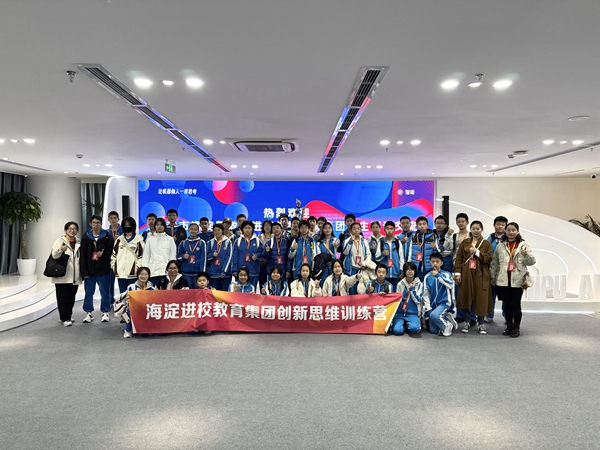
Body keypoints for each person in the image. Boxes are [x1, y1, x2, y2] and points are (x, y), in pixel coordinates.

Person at [490, 222, 536, 338]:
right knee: (507, 304)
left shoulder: (523, 245)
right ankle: (509, 325)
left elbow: (532, 262)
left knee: (515, 304)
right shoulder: (501, 246)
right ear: (505, 231)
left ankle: (516, 327)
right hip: (504, 279)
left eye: (513, 230)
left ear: (518, 231)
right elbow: (495, 263)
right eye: (509, 230)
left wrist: (526, 255)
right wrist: (493, 276)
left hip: (518, 280)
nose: (511, 232)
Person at [454, 220, 493, 334]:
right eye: (473, 228)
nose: (476, 231)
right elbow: (459, 259)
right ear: (470, 229)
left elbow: (489, 259)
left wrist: (477, 252)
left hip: (481, 273)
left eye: (478, 229)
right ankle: (467, 322)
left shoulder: (486, 243)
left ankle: (481, 323)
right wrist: (457, 273)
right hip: (466, 273)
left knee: (481, 298)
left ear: (482, 230)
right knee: (466, 297)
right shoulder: (465, 242)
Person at [80, 215, 114, 323]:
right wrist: (84, 271)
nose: (96, 225)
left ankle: (105, 312)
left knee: (105, 292)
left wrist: (103, 255)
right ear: (90, 224)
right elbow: (82, 256)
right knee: (88, 292)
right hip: (90, 271)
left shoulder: (107, 236)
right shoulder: (86, 237)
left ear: (101, 224)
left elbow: (112, 252)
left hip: (103, 270)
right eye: (94, 222)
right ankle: (88, 313)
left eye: (98, 222)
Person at [51, 221, 82, 326]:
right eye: (70, 229)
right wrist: (61, 249)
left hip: (74, 275)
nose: (72, 231)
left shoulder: (78, 242)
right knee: (62, 298)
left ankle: (67, 316)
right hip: (63, 275)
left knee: (71, 297)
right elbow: (54, 255)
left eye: (74, 229)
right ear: (66, 230)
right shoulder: (59, 241)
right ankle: (64, 318)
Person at [446, 213, 474, 324]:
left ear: (467, 222)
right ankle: (460, 315)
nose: (461, 223)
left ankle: (472, 317)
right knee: (458, 292)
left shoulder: (472, 235)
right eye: (458, 221)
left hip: (470, 266)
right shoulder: (454, 236)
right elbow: (449, 249)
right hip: (456, 265)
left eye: (463, 221)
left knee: (471, 291)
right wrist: (448, 235)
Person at [423, 253, 456, 337]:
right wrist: (428, 308)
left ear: (441, 263)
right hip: (433, 305)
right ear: (430, 263)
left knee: (434, 316)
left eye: (437, 261)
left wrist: (438, 275)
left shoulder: (446, 274)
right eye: (433, 261)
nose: (435, 264)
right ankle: (445, 318)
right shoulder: (427, 277)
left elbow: (450, 285)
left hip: (444, 303)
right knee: (433, 331)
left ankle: (448, 326)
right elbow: (426, 294)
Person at [111, 216, 144, 294]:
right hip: (121, 275)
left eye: (129, 225)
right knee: (123, 296)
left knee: (134, 296)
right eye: (125, 225)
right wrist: (114, 266)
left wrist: (137, 268)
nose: (127, 227)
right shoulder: (119, 240)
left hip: (133, 275)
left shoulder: (139, 240)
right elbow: (114, 255)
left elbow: (142, 256)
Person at [485, 215, 508, 323]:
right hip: (491, 270)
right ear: (494, 225)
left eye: (502, 225)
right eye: (498, 224)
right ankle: (489, 315)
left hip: (505, 271)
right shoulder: (489, 238)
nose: (500, 227)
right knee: (491, 295)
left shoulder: (508, 238)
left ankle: (506, 316)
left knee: (505, 296)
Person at [142, 217, 177, 286]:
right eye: (157, 225)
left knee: (166, 291)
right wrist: (145, 271)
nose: (159, 227)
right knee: (153, 291)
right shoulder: (150, 240)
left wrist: (172, 270)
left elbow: (172, 256)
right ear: (155, 226)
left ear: (164, 226)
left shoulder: (170, 239)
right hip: (153, 271)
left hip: (166, 272)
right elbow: (146, 256)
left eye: (161, 225)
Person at [122, 266, 155, 338]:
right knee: (129, 310)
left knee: (144, 335)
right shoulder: (131, 287)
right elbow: (126, 300)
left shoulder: (152, 288)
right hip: (133, 308)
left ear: (149, 276)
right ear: (137, 275)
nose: (143, 276)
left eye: (146, 274)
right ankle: (127, 330)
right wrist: (128, 299)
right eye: (141, 274)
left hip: (147, 309)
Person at [392, 262, 423, 336]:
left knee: (415, 329)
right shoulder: (400, 284)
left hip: (413, 313)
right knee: (397, 331)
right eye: (407, 269)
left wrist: (412, 290)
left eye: (412, 269)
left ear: (415, 271)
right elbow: (397, 300)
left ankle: (410, 323)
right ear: (404, 271)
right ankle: (402, 323)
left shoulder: (419, 284)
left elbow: (418, 300)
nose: (409, 271)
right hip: (400, 313)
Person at [342, 221, 372, 294]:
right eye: (354, 229)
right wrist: (350, 242)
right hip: (351, 269)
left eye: (358, 229)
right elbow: (345, 252)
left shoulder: (364, 241)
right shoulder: (347, 240)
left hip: (362, 269)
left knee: (362, 290)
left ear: (360, 230)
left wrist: (365, 264)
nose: (356, 230)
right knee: (352, 290)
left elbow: (368, 254)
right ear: (351, 230)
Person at [232, 220, 263, 287]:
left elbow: (262, 253)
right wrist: (234, 270)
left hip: (253, 271)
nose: (247, 230)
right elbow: (235, 256)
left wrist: (257, 255)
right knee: (240, 291)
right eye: (245, 228)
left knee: (252, 291)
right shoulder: (238, 241)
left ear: (252, 229)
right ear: (242, 229)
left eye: (249, 228)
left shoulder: (257, 241)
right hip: (241, 272)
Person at [408, 216, 440, 282]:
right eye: (420, 224)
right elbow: (410, 252)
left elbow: (438, 253)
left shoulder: (433, 236)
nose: (422, 226)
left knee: (429, 286)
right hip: (416, 267)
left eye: (424, 224)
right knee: (418, 286)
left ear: (427, 225)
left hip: (429, 267)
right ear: (417, 226)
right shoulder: (413, 237)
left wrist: (435, 248)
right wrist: (410, 265)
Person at [177, 222, 207, 289]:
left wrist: (202, 273)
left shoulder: (202, 243)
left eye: (195, 229)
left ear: (198, 231)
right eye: (191, 229)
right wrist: (183, 256)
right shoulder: (183, 243)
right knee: (187, 293)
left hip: (197, 273)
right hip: (186, 273)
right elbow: (178, 258)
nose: (193, 231)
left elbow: (203, 259)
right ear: (188, 230)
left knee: (198, 293)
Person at [206, 223, 233, 291]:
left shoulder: (228, 242)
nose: (217, 232)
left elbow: (229, 257)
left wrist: (224, 271)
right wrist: (212, 255)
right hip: (213, 273)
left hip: (225, 274)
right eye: (215, 230)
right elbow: (206, 257)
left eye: (218, 230)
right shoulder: (210, 242)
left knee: (225, 294)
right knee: (214, 294)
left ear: (222, 231)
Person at [381, 220, 404, 289]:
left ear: (394, 230)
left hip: (396, 273)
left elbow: (401, 258)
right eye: (387, 228)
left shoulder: (397, 242)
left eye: (391, 229)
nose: (389, 230)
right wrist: (383, 254)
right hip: (384, 273)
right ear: (384, 230)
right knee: (385, 292)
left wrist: (401, 271)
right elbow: (377, 257)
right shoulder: (381, 242)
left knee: (395, 292)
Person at [315, 222, 339, 287]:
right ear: (323, 230)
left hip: (333, 265)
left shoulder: (335, 240)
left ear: (332, 229)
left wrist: (336, 245)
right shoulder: (319, 242)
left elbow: (337, 246)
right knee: (323, 283)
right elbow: (319, 255)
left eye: (329, 228)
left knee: (334, 284)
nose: (327, 230)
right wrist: (325, 261)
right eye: (325, 228)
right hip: (323, 266)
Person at [107, 210, 122, 301]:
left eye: (115, 218)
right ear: (108, 220)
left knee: (122, 281)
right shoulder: (105, 233)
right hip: (110, 260)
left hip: (122, 259)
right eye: (111, 218)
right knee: (109, 282)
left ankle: (123, 300)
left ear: (118, 219)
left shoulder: (123, 231)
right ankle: (110, 301)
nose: (113, 220)